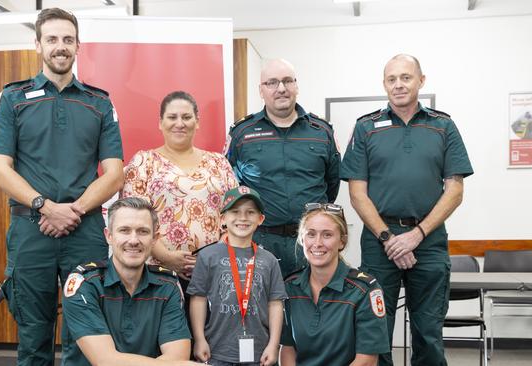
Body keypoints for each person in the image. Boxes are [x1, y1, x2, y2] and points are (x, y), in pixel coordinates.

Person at [0, 8, 124, 365]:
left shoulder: (99, 103)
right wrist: (46, 207)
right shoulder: (13, 99)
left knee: (85, 335)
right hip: (31, 230)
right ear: (37, 45)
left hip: (85, 230)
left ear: (78, 45)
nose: (60, 47)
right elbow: (0, 170)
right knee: (33, 335)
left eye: (67, 39)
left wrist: (72, 211)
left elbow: (114, 174)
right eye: (51, 39)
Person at [339, 54, 473, 365]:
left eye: (406, 77)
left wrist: (416, 235)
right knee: (376, 330)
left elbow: (455, 189)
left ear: (421, 80)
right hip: (378, 242)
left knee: (428, 330)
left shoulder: (443, 126)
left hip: (428, 241)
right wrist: (389, 238)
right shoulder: (366, 127)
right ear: (384, 84)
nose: (398, 85)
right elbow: (357, 194)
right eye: (391, 79)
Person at [226, 59, 341, 277]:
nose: (281, 89)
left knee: (312, 306)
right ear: (261, 90)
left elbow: (331, 183)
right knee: (262, 308)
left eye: (287, 81)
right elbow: (231, 184)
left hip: (311, 242)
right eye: (272, 82)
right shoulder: (242, 133)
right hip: (260, 240)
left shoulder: (321, 131)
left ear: (296, 86)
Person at [62, 197, 200, 366]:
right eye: (124, 230)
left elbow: (178, 357)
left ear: (154, 238)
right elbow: (105, 360)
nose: (134, 240)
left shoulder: (168, 286)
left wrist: (178, 364)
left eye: (143, 231)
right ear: (109, 236)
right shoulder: (84, 284)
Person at [121, 91, 238, 280]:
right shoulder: (144, 162)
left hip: (216, 272)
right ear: (160, 122)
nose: (179, 123)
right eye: (172, 117)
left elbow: (235, 212)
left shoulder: (219, 163)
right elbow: (132, 217)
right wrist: (165, 257)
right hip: (159, 273)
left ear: (197, 122)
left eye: (186, 117)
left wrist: (216, 255)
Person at [280, 203, 390, 366]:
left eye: (327, 235)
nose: (317, 243)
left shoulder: (365, 290)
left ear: (342, 241)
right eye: (311, 234)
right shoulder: (290, 287)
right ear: (302, 239)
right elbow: (288, 348)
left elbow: (366, 360)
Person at [187, 186, 287, 366]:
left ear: (260, 219)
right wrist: (199, 339)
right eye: (235, 211)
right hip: (216, 351)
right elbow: (198, 299)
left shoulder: (270, 260)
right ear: (223, 218)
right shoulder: (207, 256)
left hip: (259, 353)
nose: (243, 218)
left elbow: (275, 304)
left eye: (250, 212)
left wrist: (273, 345)